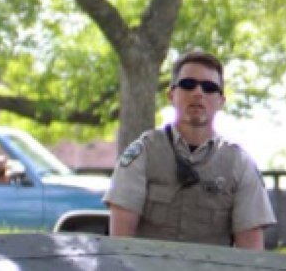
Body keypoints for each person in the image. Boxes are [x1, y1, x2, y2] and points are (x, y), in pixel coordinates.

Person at [103, 48, 276, 247]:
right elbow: (120, 246)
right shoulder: (143, 153)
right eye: (188, 84)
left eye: (209, 88)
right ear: (171, 95)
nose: (198, 93)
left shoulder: (240, 164)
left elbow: (251, 258)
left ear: (221, 101)